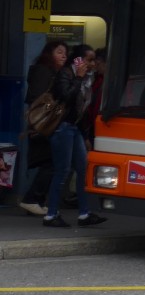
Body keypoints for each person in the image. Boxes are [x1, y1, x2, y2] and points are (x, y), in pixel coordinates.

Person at [43, 45, 106, 227]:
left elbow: (82, 110)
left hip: (75, 128)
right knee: (62, 171)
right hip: (62, 127)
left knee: (83, 168)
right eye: (89, 60)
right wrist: (78, 77)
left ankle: (84, 214)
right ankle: (51, 214)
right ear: (77, 60)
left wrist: (84, 135)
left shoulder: (88, 79)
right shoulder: (66, 74)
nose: (92, 64)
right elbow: (66, 97)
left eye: (93, 60)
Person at [18, 41, 65, 217]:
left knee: (50, 162)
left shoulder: (52, 73)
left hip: (45, 124)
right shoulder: (44, 72)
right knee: (50, 162)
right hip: (43, 124)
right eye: (59, 52)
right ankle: (32, 199)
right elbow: (39, 100)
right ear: (49, 54)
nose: (63, 56)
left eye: (65, 53)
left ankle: (36, 200)